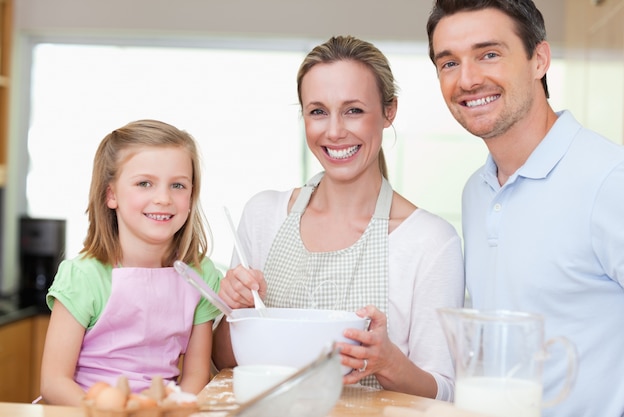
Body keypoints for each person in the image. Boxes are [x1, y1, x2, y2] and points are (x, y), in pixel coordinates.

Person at [212, 35, 465, 401]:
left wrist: (388, 362)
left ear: (389, 111)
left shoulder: (430, 241)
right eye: (318, 111)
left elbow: (444, 392)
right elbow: (224, 361)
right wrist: (234, 309)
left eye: (354, 110)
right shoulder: (262, 215)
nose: (333, 131)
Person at [427, 1, 624, 416]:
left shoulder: (611, 179)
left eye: (489, 54)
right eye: (448, 63)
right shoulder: (476, 191)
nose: (467, 79)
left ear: (539, 59)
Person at [40, 120, 222, 405]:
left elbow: (195, 376)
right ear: (111, 195)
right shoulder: (84, 276)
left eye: (177, 185)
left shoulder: (201, 275)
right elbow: (54, 382)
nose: (163, 198)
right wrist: (108, 411)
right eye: (144, 183)